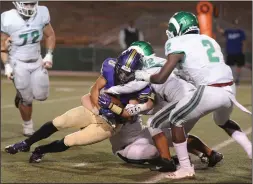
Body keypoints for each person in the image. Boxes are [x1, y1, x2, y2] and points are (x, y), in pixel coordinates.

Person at [134, 12, 252, 179]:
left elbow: (161, 78)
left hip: (210, 89)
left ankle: (185, 168)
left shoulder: (176, 42)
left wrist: (145, 76)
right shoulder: (208, 39)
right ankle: (250, 149)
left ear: (178, 27)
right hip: (229, 88)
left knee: (175, 119)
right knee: (222, 121)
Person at [5, 50, 150, 163]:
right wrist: (98, 108)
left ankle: (42, 150)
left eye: (127, 74)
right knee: (59, 121)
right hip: (95, 110)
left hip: (110, 124)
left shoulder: (139, 85)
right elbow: (95, 89)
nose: (123, 76)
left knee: (70, 140)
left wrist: (111, 106)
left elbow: (129, 114)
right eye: (121, 71)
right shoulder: (110, 67)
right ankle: (26, 143)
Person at [107, 41, 223, 170]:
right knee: (175, 134)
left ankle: (167, 161)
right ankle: (209, 154)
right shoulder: (161, 63)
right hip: (195, 97)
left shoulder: (144, 73)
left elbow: (147, 104)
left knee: (154, 124)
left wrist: (112, 92)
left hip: (182, 100)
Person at [1, 1, 56, 136]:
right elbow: (2, 47)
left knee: (42, 96)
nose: (30, 7)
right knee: (27, 98)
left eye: (32, 4)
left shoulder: (42, 13)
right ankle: (27, 124)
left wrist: (49, 55)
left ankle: (20, 95)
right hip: (17, 62)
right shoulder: (8, 18)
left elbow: (50, 35)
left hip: (36, 60)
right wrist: (7, 65)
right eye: (26, 4)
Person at [217, 19, 246, 85]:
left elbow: (244, 42)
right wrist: (218, 26)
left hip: (239, 52)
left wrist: (243, 51)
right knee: (229, 67)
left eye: (236, 24)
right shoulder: (228, 31)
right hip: (230, 52)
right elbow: (221, 31)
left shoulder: (240, 32)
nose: (235, 25)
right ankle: (230, 79)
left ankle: (237, 80)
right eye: (234, 24)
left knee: (239, 67)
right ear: (232, 24)